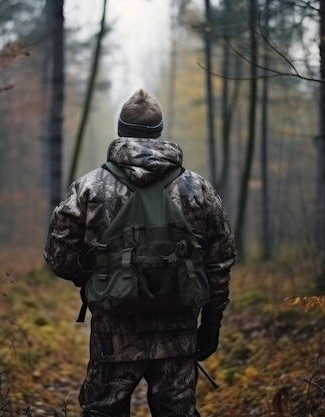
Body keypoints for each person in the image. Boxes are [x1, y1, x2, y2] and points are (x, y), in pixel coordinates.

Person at [44, 89, 236, 417]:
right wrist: (211, 323)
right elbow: (219, 262)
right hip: (178, 334)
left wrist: (97, 276)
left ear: (121, 131)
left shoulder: (90, 187)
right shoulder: (198, 189)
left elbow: (58, 256)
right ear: (159, 132)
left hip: (113, 334)